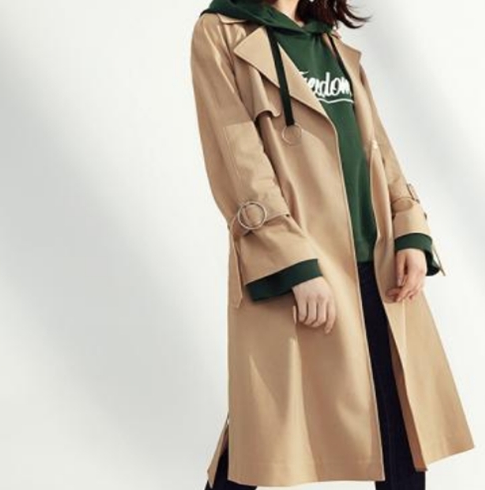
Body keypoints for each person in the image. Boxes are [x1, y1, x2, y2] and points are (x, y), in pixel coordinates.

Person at [189, 1, 475, 489]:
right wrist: (295, 263)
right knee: (265, 434)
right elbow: (239, 164)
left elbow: (376, 146)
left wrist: (409, 226)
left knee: (401, 432)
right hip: (303, 265)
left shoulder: (329, 40)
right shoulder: (221, 31)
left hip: (377, 266)